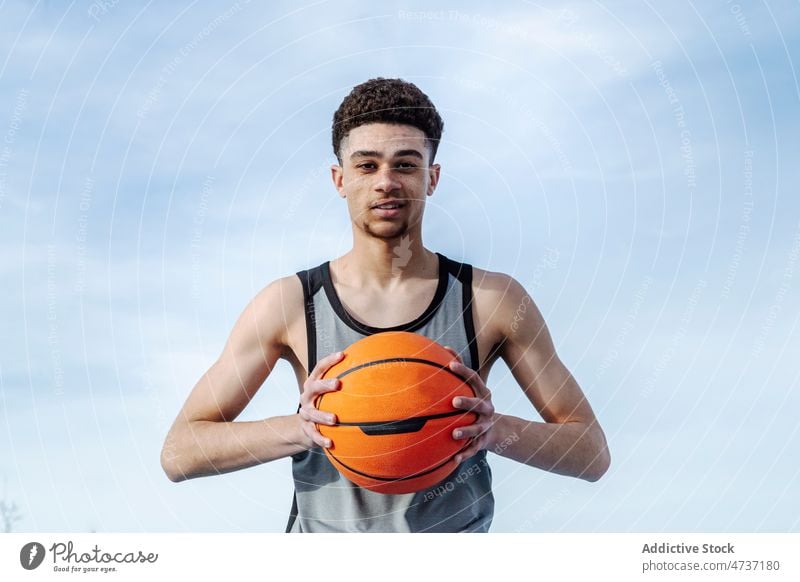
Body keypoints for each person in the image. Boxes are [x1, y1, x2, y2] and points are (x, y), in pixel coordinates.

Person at [160, 77, 610, 532]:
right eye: (367, 166)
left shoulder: (491, 300)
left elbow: (591, 452)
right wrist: (300, 429)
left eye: (406, 165)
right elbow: (179, 452)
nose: (387, 183)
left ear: (431, 178)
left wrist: (495, 432)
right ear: (340, 179)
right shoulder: (290, 304)